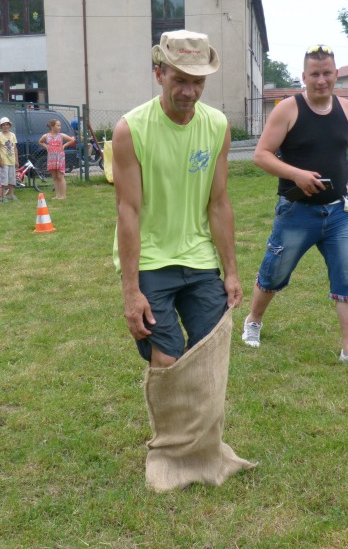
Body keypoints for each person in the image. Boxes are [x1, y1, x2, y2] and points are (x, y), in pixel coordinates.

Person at [113, 29, 251, 491]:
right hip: (152, 260)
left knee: (210, 352)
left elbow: (219, 203)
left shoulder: (217, 127)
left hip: (199, 258)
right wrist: (131, 292)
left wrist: (231, 270)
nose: (189, 91)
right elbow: (128, 212)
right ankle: (171, 457)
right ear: (159, 73)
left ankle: (205, 452)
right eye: (180, 79)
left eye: (198, 81)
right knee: (168, 358)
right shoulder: (130, 129)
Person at [240, 43, 348, 374]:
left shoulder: (347, 109)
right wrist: (296, 174)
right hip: (296, 211)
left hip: (340, 213)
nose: (322, 80)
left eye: (327, 73)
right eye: (315, 74)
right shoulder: (288, 109)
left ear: (336, 74)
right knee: (274, 272)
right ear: (303, 77)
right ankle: (254, 319)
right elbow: (261, 154)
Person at [39, 118, 75, 199]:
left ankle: (63, 195)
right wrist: (46, 146)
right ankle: (57, 195)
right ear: (52, 126)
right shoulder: (46, 136)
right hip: (52, 159)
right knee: (55, 177)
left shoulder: (61, 135)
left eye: (60, 125)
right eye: (58, 125)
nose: (59, 127)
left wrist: (64, 146)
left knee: (60, 176)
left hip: (60, 158)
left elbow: (71, 140)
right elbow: (40, 142)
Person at [0, 117, 19, 200]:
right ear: (1, 126)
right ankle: (3, 196)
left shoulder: (12, 135)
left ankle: (11, 194)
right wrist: (0, 160)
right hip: (4, 161)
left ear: (9, 125)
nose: (5, 126)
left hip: (12, 160)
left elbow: (15, 148)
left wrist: (16, 160)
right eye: (3, 125)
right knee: (4, 179)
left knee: (12, 178)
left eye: (7, 124)